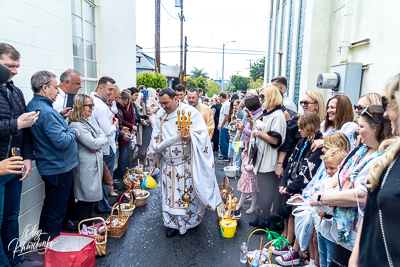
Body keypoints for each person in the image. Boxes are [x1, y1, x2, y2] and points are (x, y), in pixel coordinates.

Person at [309, 105, 392, 267]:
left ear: (376, 129)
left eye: (361, 126)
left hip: (359, 230)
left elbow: (363, 196)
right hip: (341, 226)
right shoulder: (361, 149)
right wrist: (324, 191)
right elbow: (341, 171)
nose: (357, 130)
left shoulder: (382, 158)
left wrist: (323, 197)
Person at [148, 88, 223, 238]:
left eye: (166, 103)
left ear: (176, 98)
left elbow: (203, 135)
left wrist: (191, 137)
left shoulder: (191, 112)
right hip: (168, 165)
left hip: (185, 165)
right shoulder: (161, 114)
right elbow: (156, 135)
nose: (163, 106)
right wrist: (156, 155)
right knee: (169, 196)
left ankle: (189, 222)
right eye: (161, 103)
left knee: (185, 196)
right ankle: (171, 223)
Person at [349, 74, 400, 267]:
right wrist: (354, 261)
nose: (385, 114)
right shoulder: (390, 156)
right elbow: (371, 216)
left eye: (388, 102)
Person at [0, 43, 42, 267]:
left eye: (16, 66)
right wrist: (15, 123)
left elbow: (24, 130)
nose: (15, 71)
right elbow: (17, 124)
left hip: (15, 165)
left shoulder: (15, 91)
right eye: (9, 66)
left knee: (11, 217)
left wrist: (27, 157)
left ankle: (14, 259)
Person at [26, 70, 80, 243]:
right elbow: (61, 141)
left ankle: (43, 242)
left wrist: (59, 116)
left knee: (49, 205)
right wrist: (73, 132)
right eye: (56, 87)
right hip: (58, 168)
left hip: (49, 166)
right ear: (44, 88)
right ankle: (52, 248)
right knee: (57, 211)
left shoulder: (34, 106)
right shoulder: (48, 112)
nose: (58, 91)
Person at [275, 112, 324, 266]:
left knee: (299, 218)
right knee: (290, 214)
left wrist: (290, 187)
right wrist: (284, 183)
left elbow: (308, 172)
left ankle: (296, 251)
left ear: (310, 126)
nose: (298, 130)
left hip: (302, 188)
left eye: (301, 127)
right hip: (291, 184)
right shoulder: (302, 141)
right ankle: (290, 244)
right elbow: (290, 162)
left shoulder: (316, 143)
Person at [250, 85, 287, 230]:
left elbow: (275, 140)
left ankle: (265, 221)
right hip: (262, 159)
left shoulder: (277, 115)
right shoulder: (268, 113)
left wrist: (257, 133)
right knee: (261, 191)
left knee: (267, 192)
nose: (260, 99)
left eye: (263, 96)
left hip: (270, 160)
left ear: (271, 97)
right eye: (260, 96)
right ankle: (260, 216)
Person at [69, 94, 108, 220]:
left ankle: (88, 224)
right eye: (89, 106)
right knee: (85, 198)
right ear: (80, 107)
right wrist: (98, 142)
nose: (92, 108)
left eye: (93, 105)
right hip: (85, 166)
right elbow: (93, 143)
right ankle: (85, 226)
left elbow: (103, 136)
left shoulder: (90, 120)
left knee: (90, 199)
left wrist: (97, 142)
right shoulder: (76, 124)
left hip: (94, 163)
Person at [90, 76, 118, 213]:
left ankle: (100, 203)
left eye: (112, 90)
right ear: (100, 88)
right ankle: (103, 205)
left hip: (101, 145)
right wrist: (115, 125)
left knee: (101, 176)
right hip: (106, 146)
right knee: (106, 177)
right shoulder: (100, 107)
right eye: (109, 89)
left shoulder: (96, 101)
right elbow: (107, 130)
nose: (111, 93)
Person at [116, 91, 136, 178]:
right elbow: (122, 120)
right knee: (123, 153)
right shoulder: (119, 106)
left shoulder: (130, 103)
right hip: (123, 129)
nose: (124, 105)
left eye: (125, 104)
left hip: (129, 129)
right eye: (123, 103)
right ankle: (121, 172)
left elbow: (132, 116)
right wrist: (131, 126)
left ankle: (125, 169)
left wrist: (133, 128)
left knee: (128, 151)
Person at [236, 140, 259, 214]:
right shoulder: (247, 155)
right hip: (245, 176)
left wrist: (249, 168)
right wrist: (243, 152)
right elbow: (242, 158)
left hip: (251, 177)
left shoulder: (254, 156)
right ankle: (239, 204)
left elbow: (255, 165)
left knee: (253, 192)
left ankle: (252, 207)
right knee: (244, 191)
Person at [135, 90, 152, 164]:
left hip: (145, 125)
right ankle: (140, 159)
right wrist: (146, 123)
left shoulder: (143, 104)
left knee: (145, 144)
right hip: (142, 126)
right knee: (142, 144)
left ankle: (142, 158)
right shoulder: (138, 105)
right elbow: (139, 115)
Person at [217, 91, 230, 161]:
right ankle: (224, 155)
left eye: (219, 97)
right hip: (223, 126)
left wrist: (221, 124)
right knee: (223, 141)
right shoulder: (225, 104)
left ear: (221, 97)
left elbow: (226, 116)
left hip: (224, 126)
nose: (218, 98)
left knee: (223, 142)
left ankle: (225, 156)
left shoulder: (226, 105)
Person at [227, 100, 241, 165]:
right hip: (231, 136)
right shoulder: (233, 114)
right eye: (233, 105)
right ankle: (231, 162)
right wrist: (230, 124)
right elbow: (230, 126)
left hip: (236, 136)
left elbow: (235, 127)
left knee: (235, 151)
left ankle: (234, 164)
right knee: (231, 151)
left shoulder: (239, 114)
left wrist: (231, 125)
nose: (234, 107)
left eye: (236, 105)